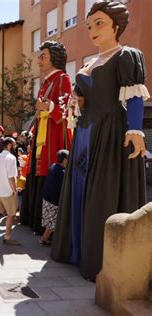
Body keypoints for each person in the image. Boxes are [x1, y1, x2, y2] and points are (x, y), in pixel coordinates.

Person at [52, 1, 150, 281]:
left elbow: (133, 97)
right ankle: (76, 250)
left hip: (110, 131)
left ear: (115, 26)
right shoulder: (87, 63)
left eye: (99, 23)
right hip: (85, 131)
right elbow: (84, 98)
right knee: (82, 189)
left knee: (102, 193)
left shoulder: (126, 55)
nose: (93, 29)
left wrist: (134, 130)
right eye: (89, 25)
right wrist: (78, 102)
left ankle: (98, 259)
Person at [20, 40, 73, 235]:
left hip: (53, 135)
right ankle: (33, 220)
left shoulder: (63, 79)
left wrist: (49, 107)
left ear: (54, 58)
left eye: (43, 56)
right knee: (36, 171)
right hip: (41, 134)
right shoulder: (46, 82)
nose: (39, 60)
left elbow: (66, 109)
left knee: (47, 173)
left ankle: (45, 226)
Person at [39, 150, 69, 246]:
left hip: (47, 197)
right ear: (65, 160)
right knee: (53, 222)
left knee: (50, 221)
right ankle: (43, 239)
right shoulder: (62, 172)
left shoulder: (52, 166)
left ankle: (48, 238)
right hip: (53, 200)